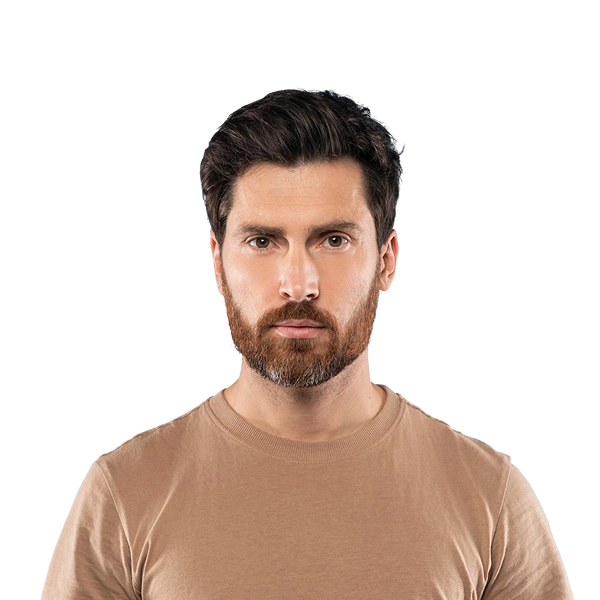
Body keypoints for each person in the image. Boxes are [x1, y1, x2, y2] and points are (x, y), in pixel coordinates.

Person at [41, 89, 574, 598]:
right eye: (262, 241)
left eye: (334, 240)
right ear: (217, 263)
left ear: (386, 260)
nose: (298, 285)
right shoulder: (122, 494)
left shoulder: (491, 497)